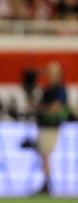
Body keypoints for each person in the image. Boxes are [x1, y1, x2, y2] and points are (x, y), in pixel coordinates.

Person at [34, 60, 70, 195]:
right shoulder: (48, 88)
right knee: (43, 156)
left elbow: (56, 108)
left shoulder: (59, 89)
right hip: (44, 126)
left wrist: (41, 109)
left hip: (51, 127)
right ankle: (46, 183)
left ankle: (47, 185)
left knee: (46, 156)